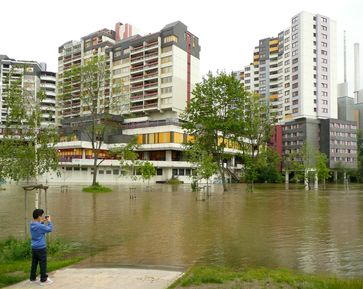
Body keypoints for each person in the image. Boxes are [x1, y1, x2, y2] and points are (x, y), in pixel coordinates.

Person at [29, 209, 53, 285]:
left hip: (34, 247)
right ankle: (43, 280)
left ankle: (32, 278)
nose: (42, 217)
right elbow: (49, 229)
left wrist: (42, 221)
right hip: (41, 248)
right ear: (39, 216)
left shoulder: (32, 224)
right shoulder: (40, 226)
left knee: (34, 263)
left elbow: (39, 227)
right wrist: (49, 221)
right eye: (41, 216)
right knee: (43, 263)